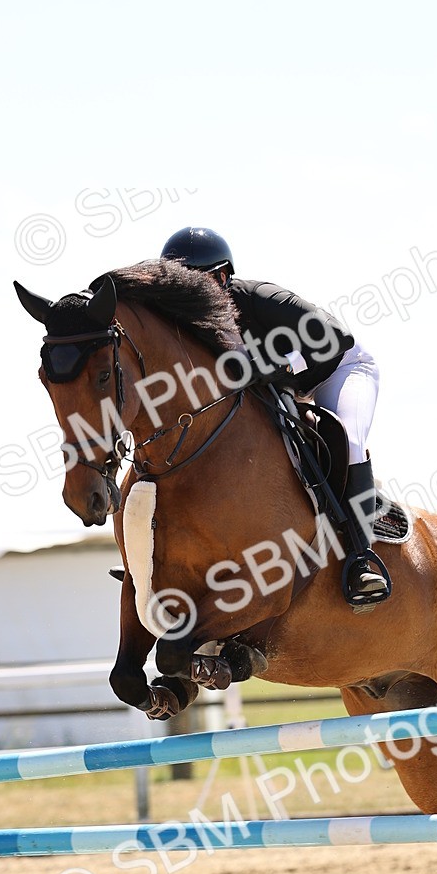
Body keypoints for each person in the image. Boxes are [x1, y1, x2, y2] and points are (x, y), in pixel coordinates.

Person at [160, 226, 391, 611]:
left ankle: (361, 557)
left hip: (340, 368)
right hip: (284, 384)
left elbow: (334, 338)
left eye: (193, 282)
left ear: (221, 277)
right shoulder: (187, 324)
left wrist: (275, 365)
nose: (184, 295)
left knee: (347, 440)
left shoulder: (260, 298)